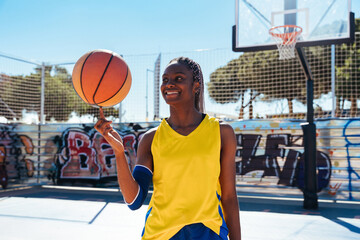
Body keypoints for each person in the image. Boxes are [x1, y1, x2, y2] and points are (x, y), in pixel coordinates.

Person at [95, 57, 241, 240]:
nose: (169, 84)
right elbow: (134, 201)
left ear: (196, 86)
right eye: (165, 80)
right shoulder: (151, 138)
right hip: (161, 234)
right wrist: (119, 153)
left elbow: (228, 197)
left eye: (178, 78)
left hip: (208, 231)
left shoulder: (221, 132)